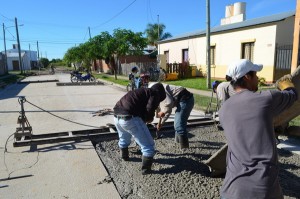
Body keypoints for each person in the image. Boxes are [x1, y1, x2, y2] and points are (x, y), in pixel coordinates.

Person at [219, 59, 298, 199]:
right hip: (263, 190)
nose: (257, 78)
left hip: (231, 190)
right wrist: (287, 84)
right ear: (247, 77)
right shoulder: (266, 99)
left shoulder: (224, 109)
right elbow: (293, 95)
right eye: (255, 75)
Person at [113, 83, 166, 175]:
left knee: (124, 138)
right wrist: (149, 118)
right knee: (148, 146)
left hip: (116, 117)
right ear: (160, 93)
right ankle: (146, 170)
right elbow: (150, 108)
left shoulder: (142, 91)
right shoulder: (155, 93)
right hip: (129, 118)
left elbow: (138, 106)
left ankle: (124, 156)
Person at [149, 83, 194, 149]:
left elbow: (168, 105)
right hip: (182, 100)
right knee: (178, 124)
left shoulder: (159, 90)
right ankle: (178, 142)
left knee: (178, 125)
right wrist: (161, 123)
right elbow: (166, 111)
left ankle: (185, 148)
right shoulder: (156, 93)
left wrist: (163, 112)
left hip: (186, 99)